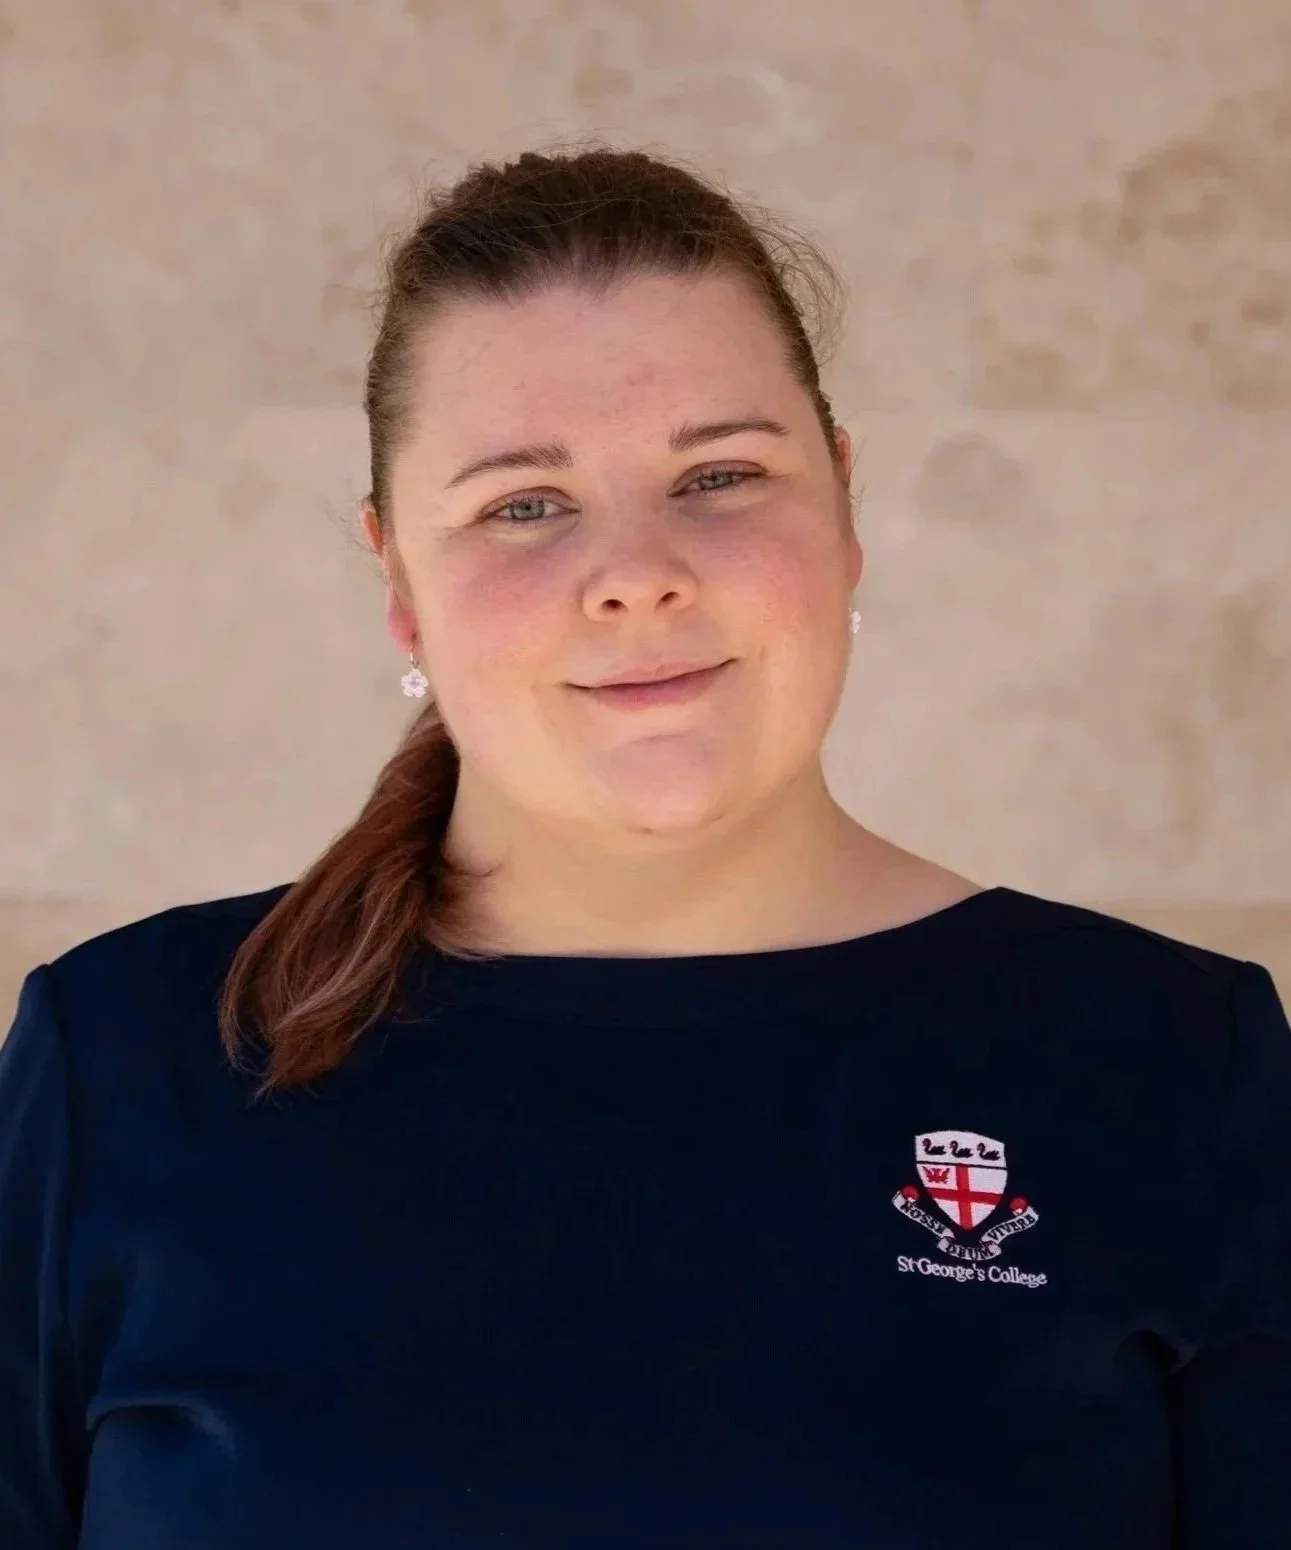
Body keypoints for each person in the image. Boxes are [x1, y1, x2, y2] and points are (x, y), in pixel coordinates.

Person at [1, 144, 1288, 1550]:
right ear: (400, 586)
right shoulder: (126, 1054)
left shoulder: (1172, 1057)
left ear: (844, 506)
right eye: (522, 503)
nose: (635, 571)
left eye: (720, 473)